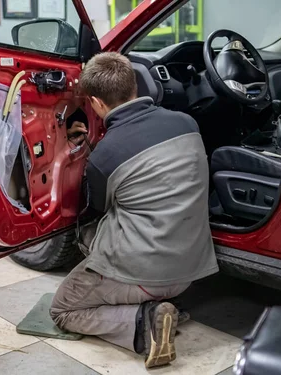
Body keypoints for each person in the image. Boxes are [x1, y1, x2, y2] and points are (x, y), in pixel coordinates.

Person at [50, 52, 218, 368]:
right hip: (192, 269)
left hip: (145, 276)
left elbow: (98, 209)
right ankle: (164, 304)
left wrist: (88, 153)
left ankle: (145, 321)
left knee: (63, 310)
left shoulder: (105, 155)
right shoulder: (187, 123)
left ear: (96, 103)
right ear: (135, 86)